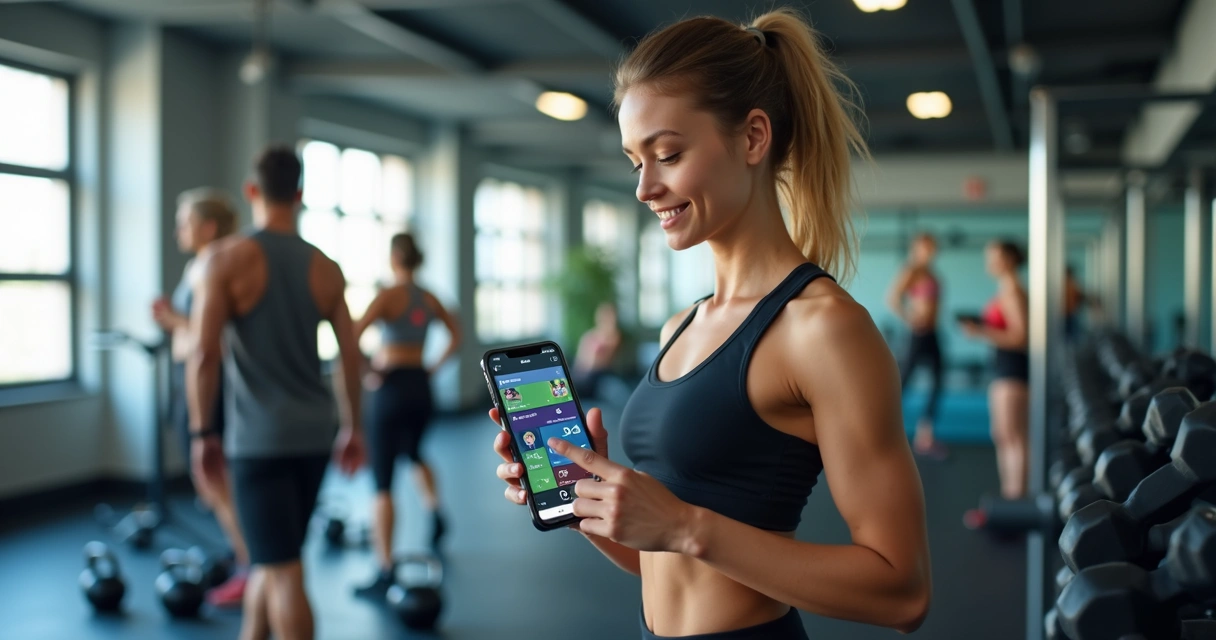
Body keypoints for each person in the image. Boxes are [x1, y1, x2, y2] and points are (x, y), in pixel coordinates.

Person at [491, 11, 930, 639]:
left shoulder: (823, 329)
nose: (645, 187)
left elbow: (902, 592)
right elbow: (670, 565)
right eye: (635, 162)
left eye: (667, 155)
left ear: (753, 137)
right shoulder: (681, 325)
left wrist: (683, 525)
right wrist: (587, 505)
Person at [187, 146, 365, 640]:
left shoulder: (225, 259)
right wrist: (353, 427)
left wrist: (202, 434)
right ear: (299, 194)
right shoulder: (326, 267)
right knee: (272, 557)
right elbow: (351, 357)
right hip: (313, 434)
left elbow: (202, 355)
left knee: (283, 568)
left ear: (251, 191)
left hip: (259, 440)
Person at [151, 188, 249, 607]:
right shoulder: (202, 265)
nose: (179, 231)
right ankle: (242, 553)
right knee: (212, 483)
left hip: (206, 381)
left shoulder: (213, 266)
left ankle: (249, 565)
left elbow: (213, 338)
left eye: (185, 223)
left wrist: (174, 320)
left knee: (214, 479)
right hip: (187, 376)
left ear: (207, 227)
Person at [350, 232, 462, 599]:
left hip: (391, 386)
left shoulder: (388, 295)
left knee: (382, 481)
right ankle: (435, 510)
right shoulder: (429, 297)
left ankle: (385, 570)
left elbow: (352, 334)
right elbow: (456, 335)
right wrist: (432, 368)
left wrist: (370, 369)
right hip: (420, 386)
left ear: (393, 258)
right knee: (414, 452)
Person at [960, 240, 1029, 501]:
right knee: (1003, 435)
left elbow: (1020, 337)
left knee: (1014, 437)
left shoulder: (1013, 293)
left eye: (994, 258)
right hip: (1003, 369)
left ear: (1009, 260)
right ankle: (1009, 497)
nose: (989, 263)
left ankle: (1017, 500)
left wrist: (980, 331)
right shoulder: (1006, 291)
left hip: (1013, 370)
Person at [886, 232, 947, 460]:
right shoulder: (911, 271)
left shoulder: (932, 273)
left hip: (932, 333)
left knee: (937, 382)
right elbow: (892, 299)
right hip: (917, 334)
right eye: (926, 247)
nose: (930, 252)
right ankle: (881, 429)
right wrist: (910, 318)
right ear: (916, 249)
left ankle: (925, 437)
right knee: (903, 381)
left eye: (932, 247)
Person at [573, 302, 623, 400]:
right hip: (583, 372)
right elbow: (580, 360)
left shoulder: (614, 337)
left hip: (599, 375)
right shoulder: (589, 335)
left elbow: (604, 361)